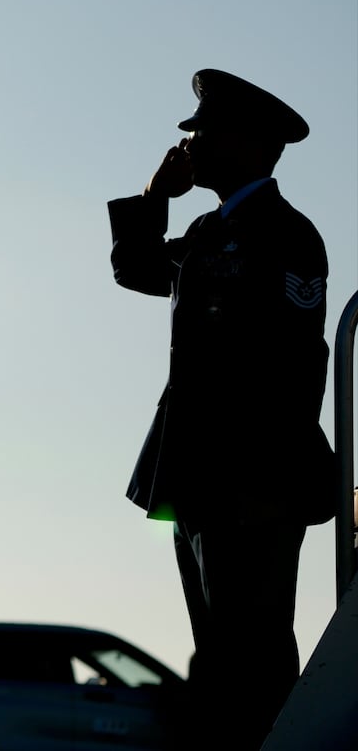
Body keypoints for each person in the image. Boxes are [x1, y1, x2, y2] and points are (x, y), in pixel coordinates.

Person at [107, 69, 335, 750]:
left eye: (204, 132)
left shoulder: (288, 236)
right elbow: (135, 268)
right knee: (217, 659)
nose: (190, 144)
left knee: (255, 660)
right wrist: (155, 196)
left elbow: (298, 370)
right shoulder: (208, 230)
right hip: (197, 479)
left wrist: (270, 486)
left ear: (249, 142)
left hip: (253, 486)